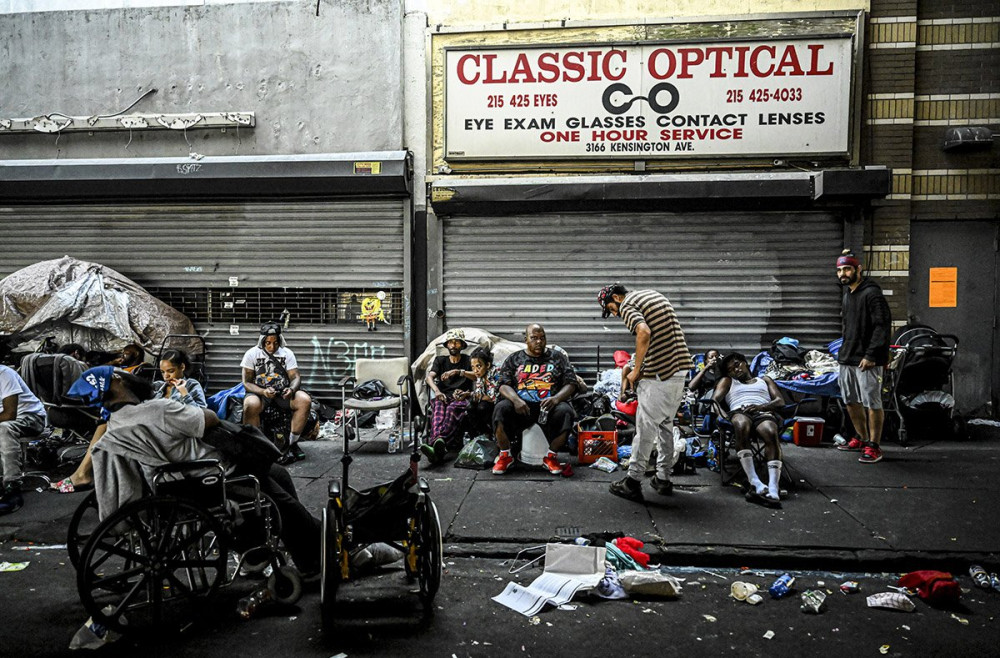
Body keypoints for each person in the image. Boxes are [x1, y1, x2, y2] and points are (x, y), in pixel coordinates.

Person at [67, 366, 320, 574]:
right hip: (209, 476)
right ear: (117, 380)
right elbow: (207, 418)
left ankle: (256, 552)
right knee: (280, 500)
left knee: (278, 473)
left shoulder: (119, 420)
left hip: (179, 476)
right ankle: (315, 555)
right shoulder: (156, 410)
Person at [598, 283, 693, 502]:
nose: (615, 314)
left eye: (611, 308)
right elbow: (659, 339)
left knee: (645, 427)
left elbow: (644, 332)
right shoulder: (652, 295)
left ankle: (632, 481)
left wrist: (638, 370)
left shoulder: (628, 304)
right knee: (666, 424)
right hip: (678, 370)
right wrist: (632, 367)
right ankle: (663, 478)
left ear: (616, 298)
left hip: (660, 375)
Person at [492, 324, 577, 475]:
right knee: (500, 409)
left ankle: (551, 456)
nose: (539, 342)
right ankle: (505, 455)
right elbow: (503, 385)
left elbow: (571, 383)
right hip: (521, 407)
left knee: (566, 412)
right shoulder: (515, 359)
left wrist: (556, 399)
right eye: (534, 338)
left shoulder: (557, 357)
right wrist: (516, 400)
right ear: (526, 339)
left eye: (542, 338)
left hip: (549, 407)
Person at [835, 250, 892, 464]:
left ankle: (874, 446)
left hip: (867, 359)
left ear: (858, 269)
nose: (843, 273)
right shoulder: (848, 294)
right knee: (850, 401)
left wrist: (871, 354)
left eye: (847, 269)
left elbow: (882, 325)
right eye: (840, 270)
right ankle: (862, 437)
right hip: (848, 357)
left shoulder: (872, 293)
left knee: (872, 402)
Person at [712, 353, 786, 508]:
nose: (736, 370)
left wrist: (761, 407)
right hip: (739, 412)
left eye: (737, 364)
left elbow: (780, 401)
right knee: (741, 424)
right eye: (731, 369)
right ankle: (754, 481)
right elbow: (714, 401)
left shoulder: (764, 380)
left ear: (746, 363)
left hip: (762, 412)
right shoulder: (729, 381)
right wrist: (723, 417)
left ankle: (773, 486)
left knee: (770, 431)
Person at [241, 322, 312, 462]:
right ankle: (256, 446)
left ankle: (291, 444)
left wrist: (291, 389)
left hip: (282, 393)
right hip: (260, 393)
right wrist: (263, 391)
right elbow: (247, 383)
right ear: (262, 341)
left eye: (275, 343)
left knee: (305, 400)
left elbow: (295, 377)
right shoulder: (251, 354)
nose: (272, 347)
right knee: (250, 404)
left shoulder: (287, 354)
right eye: (268, 343)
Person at [0, 364, 47, 515]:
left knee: (5, 428)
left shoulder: (4, 373)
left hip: (31, 417)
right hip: (7, 421)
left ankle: (12, 487)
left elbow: (9, 414)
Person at [422, 329, 474, 464]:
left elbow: (477, 375)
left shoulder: (468, 360)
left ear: (462, 345)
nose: (453, 345)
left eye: (457, 342)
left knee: (451, 410)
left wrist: (458, 372)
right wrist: (437, 391)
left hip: (461, 397)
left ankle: (437, 443)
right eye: (451, 342)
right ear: (447, 345)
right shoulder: (440, 360)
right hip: (443, 395)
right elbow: (429, 378)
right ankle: (439, 444)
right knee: (439, 410)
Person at [454, 346, 499, 438]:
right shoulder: (481, 375)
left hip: (498, 403)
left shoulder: (496, 373)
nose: (475, 370)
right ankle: (482, 435)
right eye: (473, 367)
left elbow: (493, 397)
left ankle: (491, 433)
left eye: (478, 366)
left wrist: (474, 396)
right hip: (487, 402)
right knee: (470, 407)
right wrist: (466, 394)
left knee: (482, 407)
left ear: (488, 365)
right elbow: (479, 393)